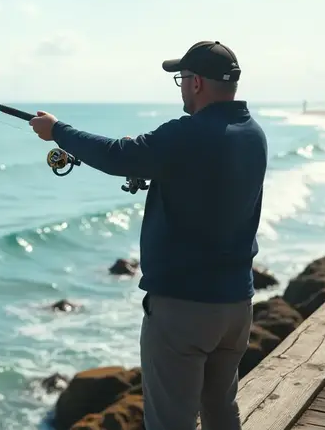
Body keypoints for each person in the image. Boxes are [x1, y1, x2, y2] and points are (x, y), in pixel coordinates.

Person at [29, 40, 267, 430]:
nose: (181, 87)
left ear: (198, 84)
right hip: (236, 304)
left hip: (184, 309)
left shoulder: (188, 134)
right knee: (221, 409)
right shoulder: (251, 133)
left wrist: (57, 131)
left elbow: (117, 155)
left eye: (182, 78)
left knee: (170, 421)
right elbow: (204, 182)